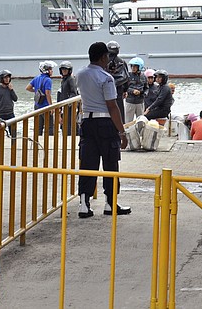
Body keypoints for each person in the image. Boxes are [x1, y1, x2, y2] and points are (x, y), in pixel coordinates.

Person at [75, 42, 131, 218]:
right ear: (102, 57)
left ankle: (84, 204)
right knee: (110, 163)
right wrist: (122, 132)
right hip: (105, 123)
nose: (109, 59)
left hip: (86, 122)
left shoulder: (80, 74)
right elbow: (112, 106)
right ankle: (110, 203)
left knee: (88, 164)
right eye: (107, 56)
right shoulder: (106, 78)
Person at [27, 61, 56, 136]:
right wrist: (51, 107)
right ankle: (49, 142)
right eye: (51, 69)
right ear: (47, 70)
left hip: (37, 106)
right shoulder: (48, 80)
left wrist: (36, 91)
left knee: (38, 127)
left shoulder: (37, 78)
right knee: (49, 126)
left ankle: (37, 142)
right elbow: (48, 94)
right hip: (45, 106)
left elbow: (28, 88)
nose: (52, 71)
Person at [106, 41, 130, 117]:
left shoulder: (103, 61)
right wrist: (125, 90)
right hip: (118, 91)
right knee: (119, 112)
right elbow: (126, 78)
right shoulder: (122, 62)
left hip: (105, 91)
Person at [0, 69, 18, 138]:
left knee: (13, 133)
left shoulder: (10, 89)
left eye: (8, 78)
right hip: (1, 114)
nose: (7, 79)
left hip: (10, 113)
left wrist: (11, 90)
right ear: (1, 79)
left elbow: (15, 99)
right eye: (5, 78)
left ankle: (13, 146)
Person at [56, 61, 79, 135]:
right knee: (64, 124)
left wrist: (68, 103)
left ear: (69, 70)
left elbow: (74, 92)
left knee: (70, 124)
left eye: (65, 70)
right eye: (62, 70)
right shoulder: (64, 80)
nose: (64, 71)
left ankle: (71, 137)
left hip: (70, 106)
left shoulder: (71, 79)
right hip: (64, 105)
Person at [125, 57, 147, 122]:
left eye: (135, 66)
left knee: (141, 122)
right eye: (132, 66)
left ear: (139, 67)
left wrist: (142, 93)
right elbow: (125, 87)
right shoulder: (128, 76)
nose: (133, 68)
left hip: (140, 102)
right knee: (128, 122)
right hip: (130, 101)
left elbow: (146, 88)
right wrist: (132, 91)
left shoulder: (143, 77)